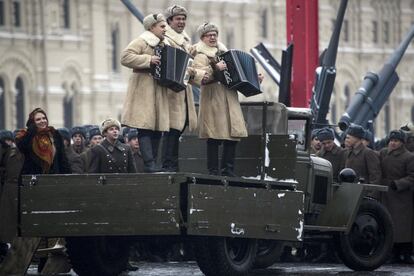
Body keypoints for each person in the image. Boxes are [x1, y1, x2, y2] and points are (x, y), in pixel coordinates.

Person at [0, 108, 71, 275]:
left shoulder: (54, 135)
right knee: (37, 225)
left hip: (54, 184)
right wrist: (32, 130)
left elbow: (61, 158)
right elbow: (23, 147)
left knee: (52, 225)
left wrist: (67, 177)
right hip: (35, 186)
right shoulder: (25, 137)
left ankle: (48, 261)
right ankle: (34, 259)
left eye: (44, 118)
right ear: (32, 122)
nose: (42, 121)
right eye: (38, 119)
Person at [192, 22, 262, 176]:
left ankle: (227, 170)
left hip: (230, 98)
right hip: (213, 99)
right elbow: (199, 77)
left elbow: (238, 76)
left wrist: (254, 79)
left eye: (214, 34)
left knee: (233, 136)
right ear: (202, 38)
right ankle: (213, 171)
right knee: (214, 137)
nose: (212, 37)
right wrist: (215, 68)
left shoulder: (225, 53)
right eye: (209, 35)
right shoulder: (200, 55)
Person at [120, 13, 170, 173]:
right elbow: (125, 57)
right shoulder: (142, 41)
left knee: (157, 127)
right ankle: (149, 165)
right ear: (151, 27)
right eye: (162, 26)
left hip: (159, 89)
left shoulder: (165, 44)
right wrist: (148, 60)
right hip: (143, 89)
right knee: (145, 127)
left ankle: (154, 164)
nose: (165, 29)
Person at [161, 5, 198, 172]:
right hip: (171, 92)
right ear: (170, 21)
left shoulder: (185, 40)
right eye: (178, 18)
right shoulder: (166, 39)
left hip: (183, 91)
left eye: (183, 19)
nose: (181, 22)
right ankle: (168, 165)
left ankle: (173, 164)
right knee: (171, 130)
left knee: (178, 129)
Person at [379, 130, 414, 264]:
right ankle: (391, 253)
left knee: (403, 227)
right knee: (388, 225)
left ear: (402, 143)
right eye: (391, 140)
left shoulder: (409, 157)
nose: (393, 143)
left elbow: (412, 176)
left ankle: (405, 253)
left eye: (396, 141)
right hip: (386, 194)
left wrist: (398, 184)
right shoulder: (383, 153)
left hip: (402, 196)